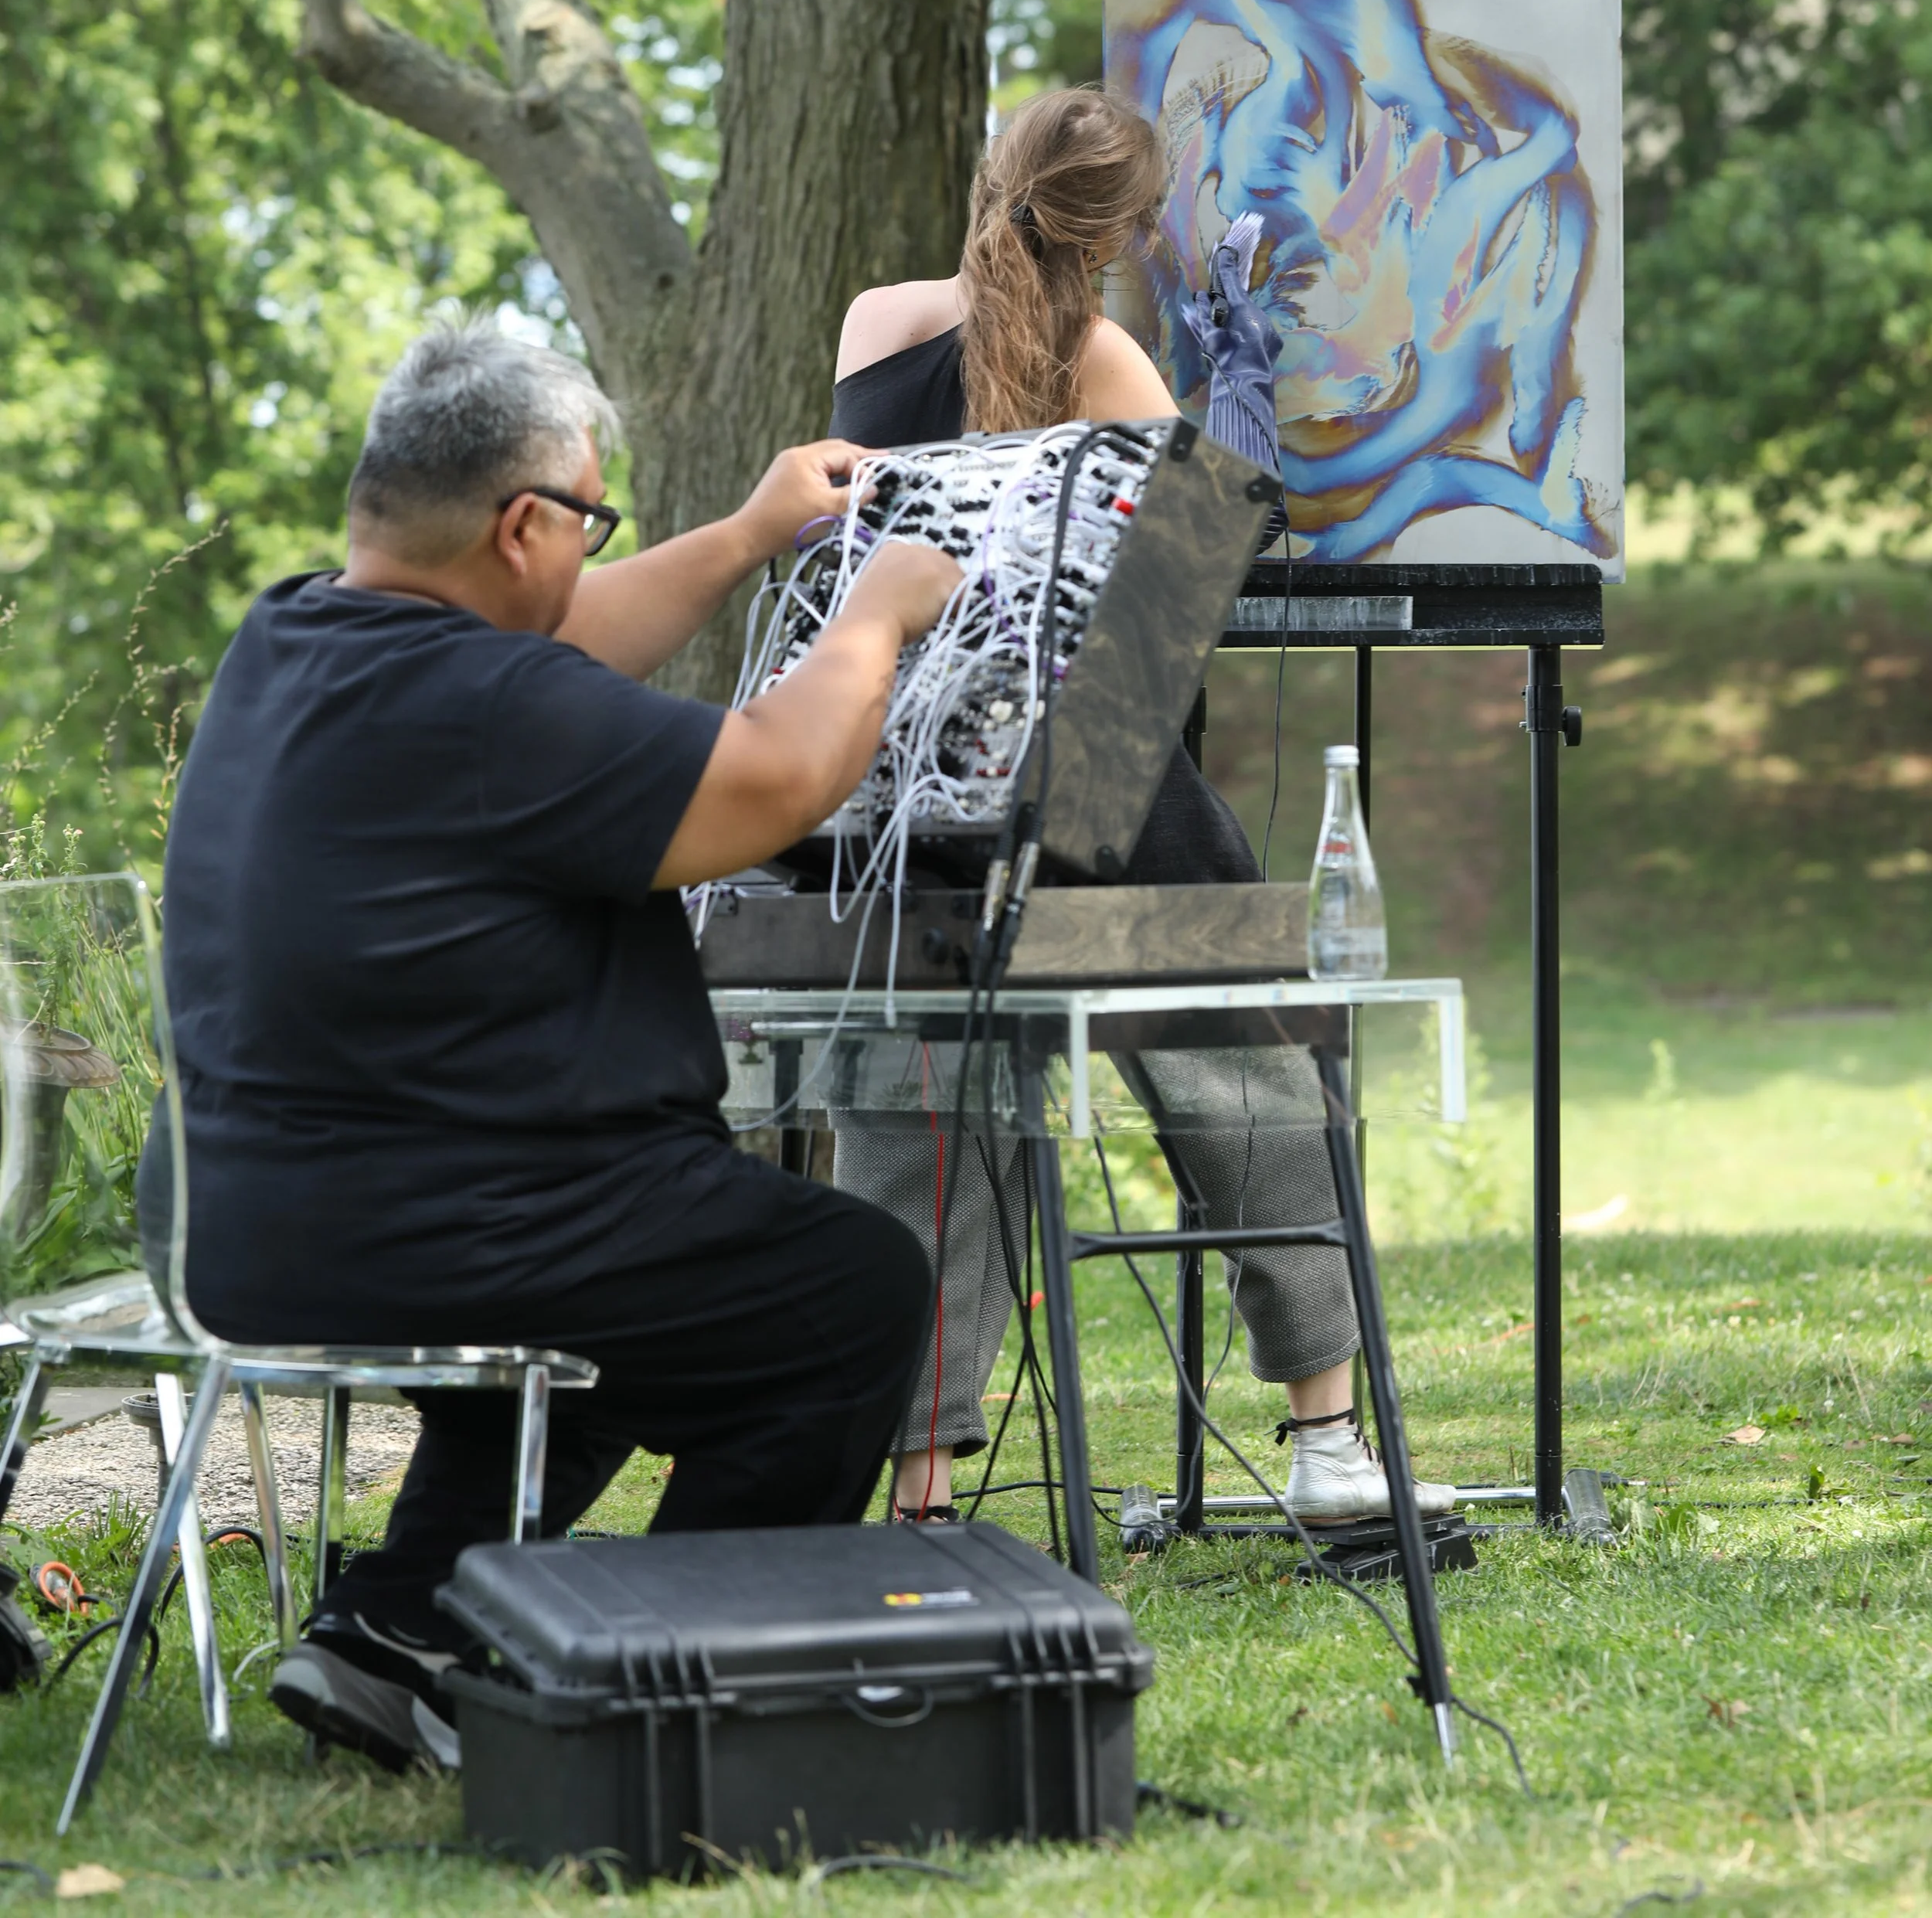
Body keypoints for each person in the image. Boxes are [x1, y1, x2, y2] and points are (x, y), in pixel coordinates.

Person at [152, 321, 956, 1774]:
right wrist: (878, 616)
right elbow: (774, 778)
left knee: (629, 1303)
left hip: (251, 1224)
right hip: (445, 1227)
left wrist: (748, 532)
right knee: (843, 1291)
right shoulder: (487, 706)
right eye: (593, 519)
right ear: (523, 524)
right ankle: (648, 1693)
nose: (596, 551)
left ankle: (403, 1631)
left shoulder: (293, 639)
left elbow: (559, 638)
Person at [828, 86, 1457, 1530]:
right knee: (1255, 1062)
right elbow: (1177, 611)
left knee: (922, 1111)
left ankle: (922, 1490)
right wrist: (1226, 448)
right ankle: (1326, 1441)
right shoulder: (1107, 357)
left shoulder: (875, 323)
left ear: (996, 181)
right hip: (1097, 756)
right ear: (1134, 231)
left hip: (910, 760)